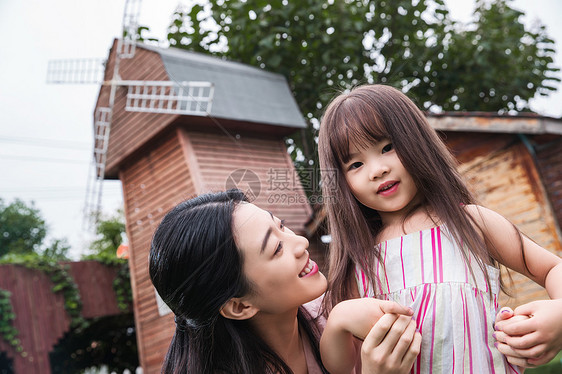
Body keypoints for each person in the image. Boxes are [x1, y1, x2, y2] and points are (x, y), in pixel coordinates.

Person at [317, 84, 562, 373]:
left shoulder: (470, 224)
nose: (377, 169)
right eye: (356, 164)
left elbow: (550, 268)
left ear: (416, 141)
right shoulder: (360, 262)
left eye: (387, 147)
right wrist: (338, 320)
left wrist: (559, 314)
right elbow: (342, 367)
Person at [148, 189, 420, 374]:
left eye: (282, 225)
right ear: (239, 306)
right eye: (276, 248)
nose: (300, 243)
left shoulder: (334, 314)